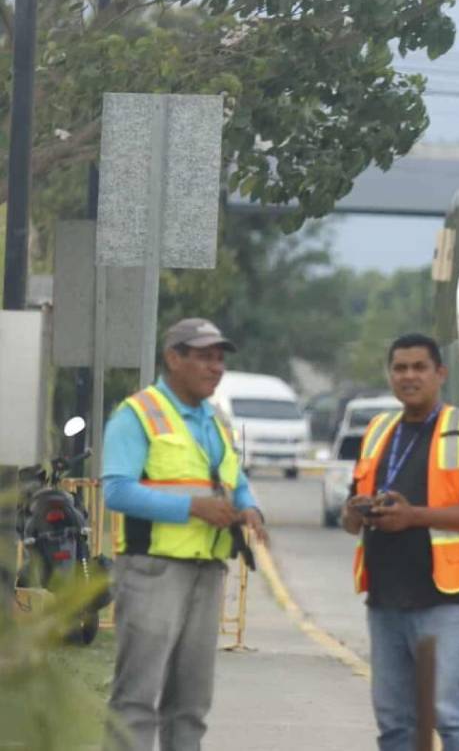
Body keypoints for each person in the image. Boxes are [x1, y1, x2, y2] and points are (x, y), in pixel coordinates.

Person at [101, 317, 268, 751]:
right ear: (173, 358)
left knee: (191, 702)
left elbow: (234, 479)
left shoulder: (217, 421)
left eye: (219, 359)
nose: (216, 368)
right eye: (204, 357)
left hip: (207, 570)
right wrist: (192, 507)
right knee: (137, 697)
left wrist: (249, 507)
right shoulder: (137, 414)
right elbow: (116, 491)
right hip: (153, 569)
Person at [343, 333, 459, 751]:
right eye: (400, 368)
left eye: (419, 367)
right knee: (395, 724)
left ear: (440, 374)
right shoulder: (378, 430)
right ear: (390, 375)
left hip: (441, 601)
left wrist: (414, 517)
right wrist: (356, 511)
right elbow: (348, 518)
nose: (408, 376)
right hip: (385, 601)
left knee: (452, 718)